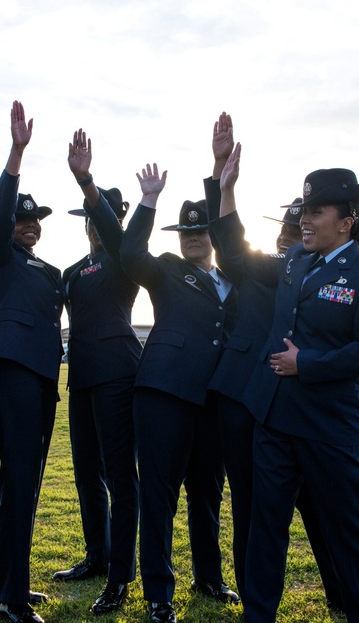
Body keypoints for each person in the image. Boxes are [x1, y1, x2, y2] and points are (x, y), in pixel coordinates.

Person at [212, 143, 359, 622]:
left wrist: (306, 363)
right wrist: (226, 190)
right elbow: (235, 257)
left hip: (328, 426)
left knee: (345, 531)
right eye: (305, 210)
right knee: (264, 529)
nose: (306, 220)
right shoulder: (294, 261)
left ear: (346, 221)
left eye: (317, 211)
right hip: (273, 419)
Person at [119, 163, 240, 623]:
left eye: (202, 229)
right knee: (160, 495)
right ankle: (158, 594)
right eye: (186, 230)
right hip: (164, 394)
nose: (193, 235)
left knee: (208, 493)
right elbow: (131, 254)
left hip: (212, 399)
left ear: (213, 234)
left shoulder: (234, 278)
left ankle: (209, 577)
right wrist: (148, 201)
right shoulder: (167, 270)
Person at [0, 101, 65, 623]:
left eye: (34, 220)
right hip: (12, 376)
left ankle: (3, 581)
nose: (28, 226)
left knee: (24, 482)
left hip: (42, 381)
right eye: (21, 219)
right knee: (19, 479)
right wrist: (16, 156)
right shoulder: (1, 259)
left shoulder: (48, 269)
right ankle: (13, 597)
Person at [55, 129, 141, 615]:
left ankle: (122, 577)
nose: (92, 225)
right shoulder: (71, 271)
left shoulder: (125, 259)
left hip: (117, 374)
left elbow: (114, 234)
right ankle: (97, 557)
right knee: (87, 473)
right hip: (82, 377)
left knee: (119, 476)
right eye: (88, 218)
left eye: (98, 217)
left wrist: (87, 183)